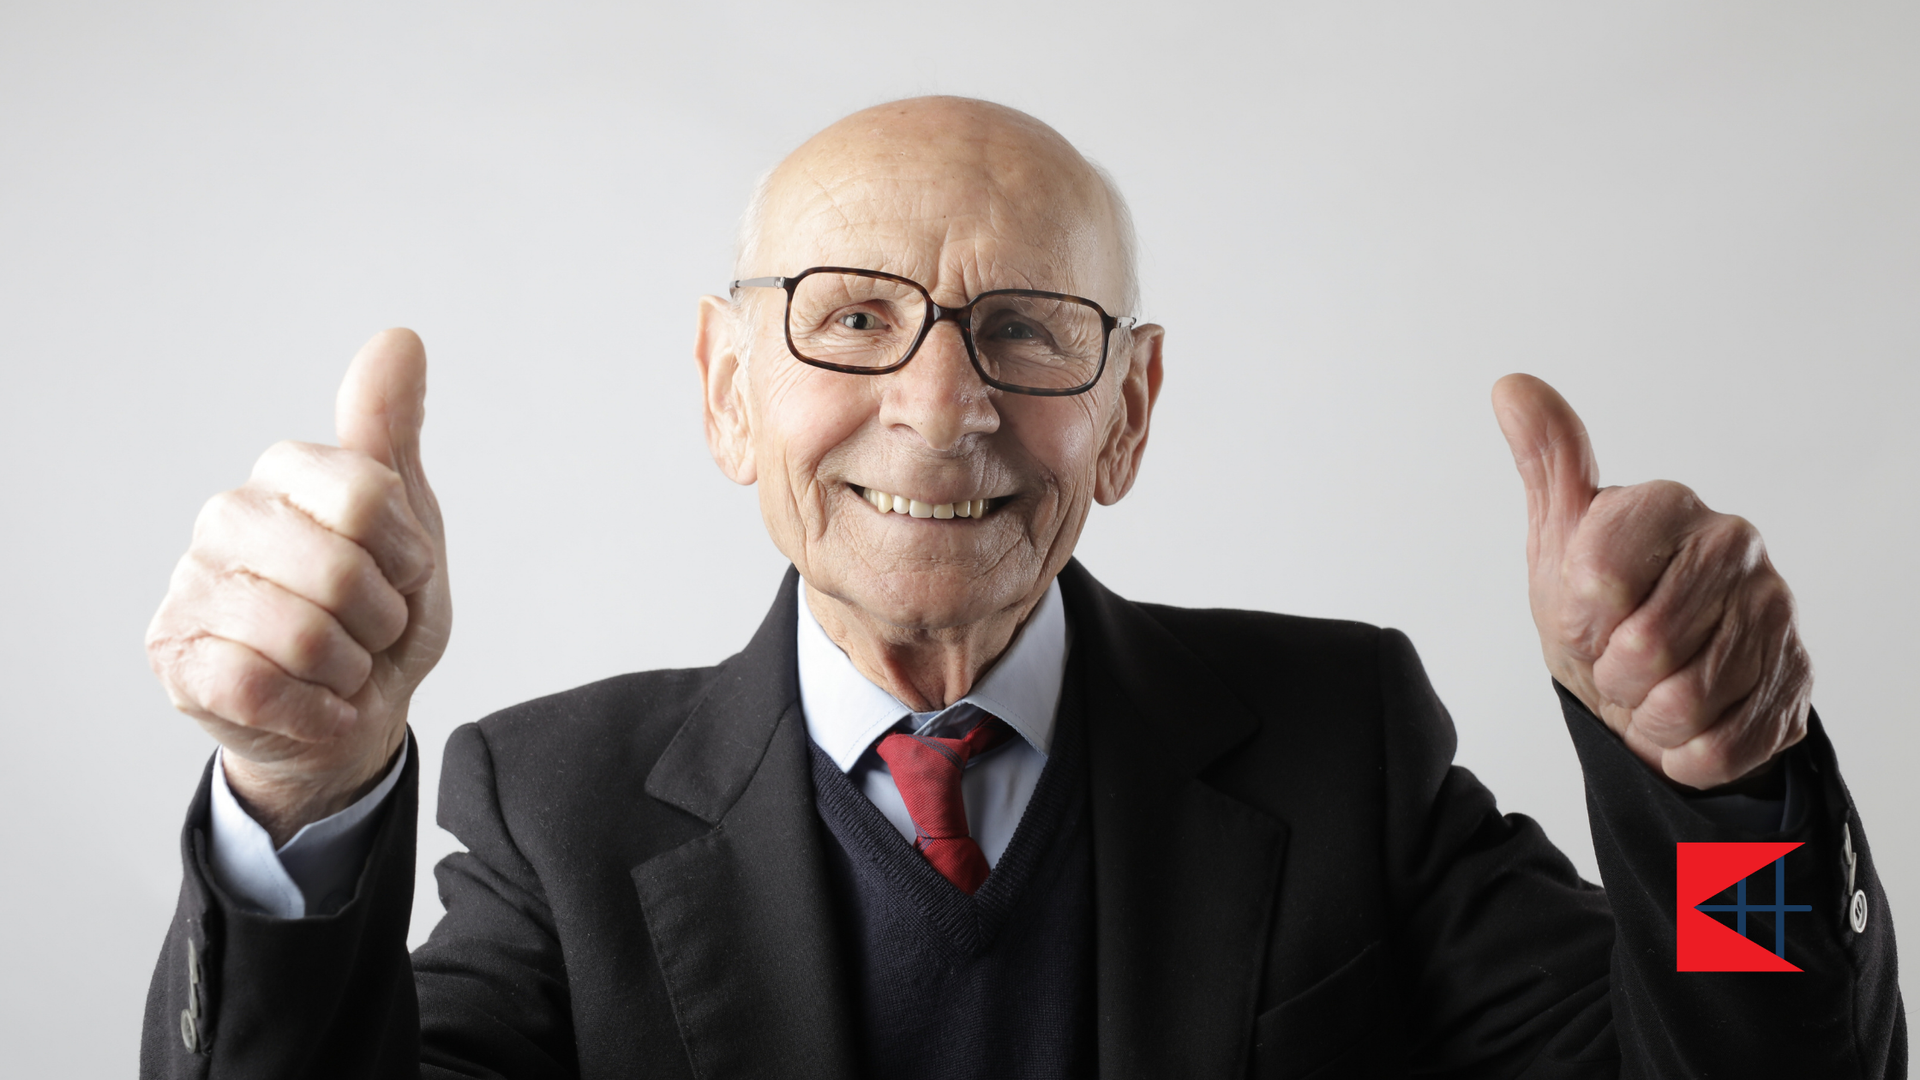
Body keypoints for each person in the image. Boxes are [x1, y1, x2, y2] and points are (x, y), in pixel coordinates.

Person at [139, 97, 1903, 1079]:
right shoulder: (559, 809)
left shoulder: (1335, 740)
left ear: (1128, 413)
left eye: (1027, 333)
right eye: (850, 317)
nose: (944, 402)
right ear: (726, 390)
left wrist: (1720, 786)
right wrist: (297, 801)